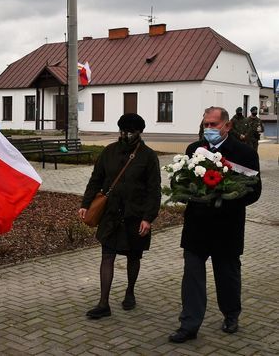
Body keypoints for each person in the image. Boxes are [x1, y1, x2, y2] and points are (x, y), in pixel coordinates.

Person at [169, 106, 262, 343]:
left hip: (227, 226)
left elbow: (254, 191)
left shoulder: (244, 152)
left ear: (227, 126)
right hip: (197, 226)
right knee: (192, 277)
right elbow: (181, 181)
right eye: (206, 125)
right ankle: (189, 325)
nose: (208, 129)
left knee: (227, 275)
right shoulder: (194, 149)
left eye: (214, 125)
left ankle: (231, 315)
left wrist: (225, 197)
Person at [78, 113, 161, 319]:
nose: (125, 135)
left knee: (134, 255)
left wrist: (148, 218)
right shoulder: (109, 152)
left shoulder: (148, 156)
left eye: (130, 132)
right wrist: (86, 204)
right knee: (107, 256)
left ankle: (130, 291)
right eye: (123, 131)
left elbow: (154, 190)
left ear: (139, 132)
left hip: (135, 215)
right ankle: (103, 303)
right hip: (111, 214)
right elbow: (96, 179)